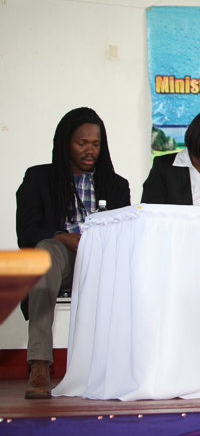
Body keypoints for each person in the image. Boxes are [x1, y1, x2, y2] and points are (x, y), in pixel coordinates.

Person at [16, 107, 130, 399]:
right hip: (62, 260)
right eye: (82, 143)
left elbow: (126, 233)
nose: (90, 150)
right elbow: (27, 232)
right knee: (44, 254)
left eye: (96, 144)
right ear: (65, 142)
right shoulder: (39, 178)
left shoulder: (116, 185)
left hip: (104, 261)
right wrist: (64, 237)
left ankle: (132, 365)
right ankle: (40, 365)